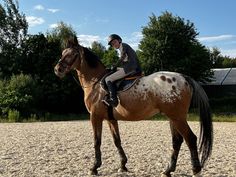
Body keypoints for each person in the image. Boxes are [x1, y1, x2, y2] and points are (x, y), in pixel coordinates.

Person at [103, 34, 142, 107]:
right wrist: (114, 68)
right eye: (112, 44)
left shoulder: (123, 46)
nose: (114, 45)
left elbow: (122, 57)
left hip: (131, 68)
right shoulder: (122, 47)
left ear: (119, 40)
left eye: (114, 42)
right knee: (113, 70)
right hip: (131, 67)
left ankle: (113, 100)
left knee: (108, 79)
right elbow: (124, 61)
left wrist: (115, 66)